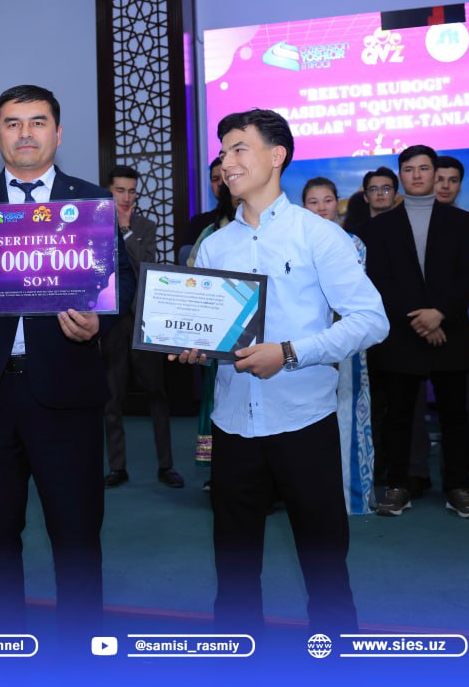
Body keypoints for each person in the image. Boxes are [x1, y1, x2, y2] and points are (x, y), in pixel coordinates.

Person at [0, 84, 133, 631]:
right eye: (12, 124)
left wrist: (100, 320)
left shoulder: (92, 201)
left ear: (58, 133)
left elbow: (124, 280)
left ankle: (81, 653)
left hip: (67, 391)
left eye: (37, 122)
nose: (26, 133)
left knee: (77, 535)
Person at [175, 110, 385, 636]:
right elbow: (213, 327)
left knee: (323, 561)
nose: (226, 161)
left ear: (277, 156)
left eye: (239, 148)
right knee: (234, 565)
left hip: (302, 420)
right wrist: (195, 346)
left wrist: (289, 353)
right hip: (232, 424)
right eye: (223, 151)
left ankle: (335, 656)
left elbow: (371, 320)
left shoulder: (319, 235)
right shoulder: (214, 245)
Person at [357, 144, 469, 519]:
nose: (417, 175)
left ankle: (458, 487)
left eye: (424, 168)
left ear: (434, 173)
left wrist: (440, 314)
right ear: (401, 176)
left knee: (455, 418)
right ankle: (398, 486)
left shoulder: (460, 221)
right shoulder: (379, 228)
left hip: (449, 331)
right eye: (409, 169)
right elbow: (379, 281)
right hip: (401, 334)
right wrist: (421, 320)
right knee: (397, 416)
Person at [102, 164, 182, 489]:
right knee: (112, 397)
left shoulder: (146, 226)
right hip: (111, 320)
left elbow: (144, 265)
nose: (126, 197)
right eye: (120, 190)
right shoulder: (96, 225)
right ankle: (117, 467)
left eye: (132, 191)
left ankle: (167, 465)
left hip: (145, 319)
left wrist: (125, 229)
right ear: (108, 191)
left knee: (157, 393)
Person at [302, 177, 375, 515]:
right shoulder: (294, 242)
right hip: (302, 342)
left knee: (347, 414)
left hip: (344, 341)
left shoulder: (354, 243)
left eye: (327, 200)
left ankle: (351, 495)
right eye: (313, 202)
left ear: (338, 203)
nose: (321, 208)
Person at [187, 179, 236, 489]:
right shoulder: (212, 234)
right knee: (217, 401)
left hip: (263, 337)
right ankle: (219, 471)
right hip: (217, 332)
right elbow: (192, 277)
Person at [179, 155, 224, 256]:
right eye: (215, 179)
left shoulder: (249, 219)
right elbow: (185, 256)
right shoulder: (198, 222)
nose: (220, 183)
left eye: (225, 178)